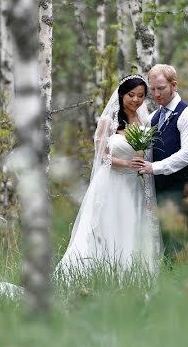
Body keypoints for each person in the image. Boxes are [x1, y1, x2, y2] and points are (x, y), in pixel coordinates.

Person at [56, 74, 161, 281]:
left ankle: (130, 275)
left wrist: (140, 166)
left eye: (140, 96)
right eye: (131, 95)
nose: (136, 100)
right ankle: (98, 272)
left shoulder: (144, 120)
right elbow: (101, 155)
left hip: (133, 184)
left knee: (131, 224)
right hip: (111, 182)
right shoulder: (107, 121)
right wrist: (125, 164)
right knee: (107, 224)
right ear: (122, 94)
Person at [131, 64, 188, 262]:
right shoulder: (154, 117)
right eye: (152, 89)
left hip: (183, 186)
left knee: (180, 241)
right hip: (160, 187)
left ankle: (183, 285)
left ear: (174, 85)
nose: (156, 94)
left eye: (161, 88)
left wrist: (154, 168)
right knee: (164, 240)